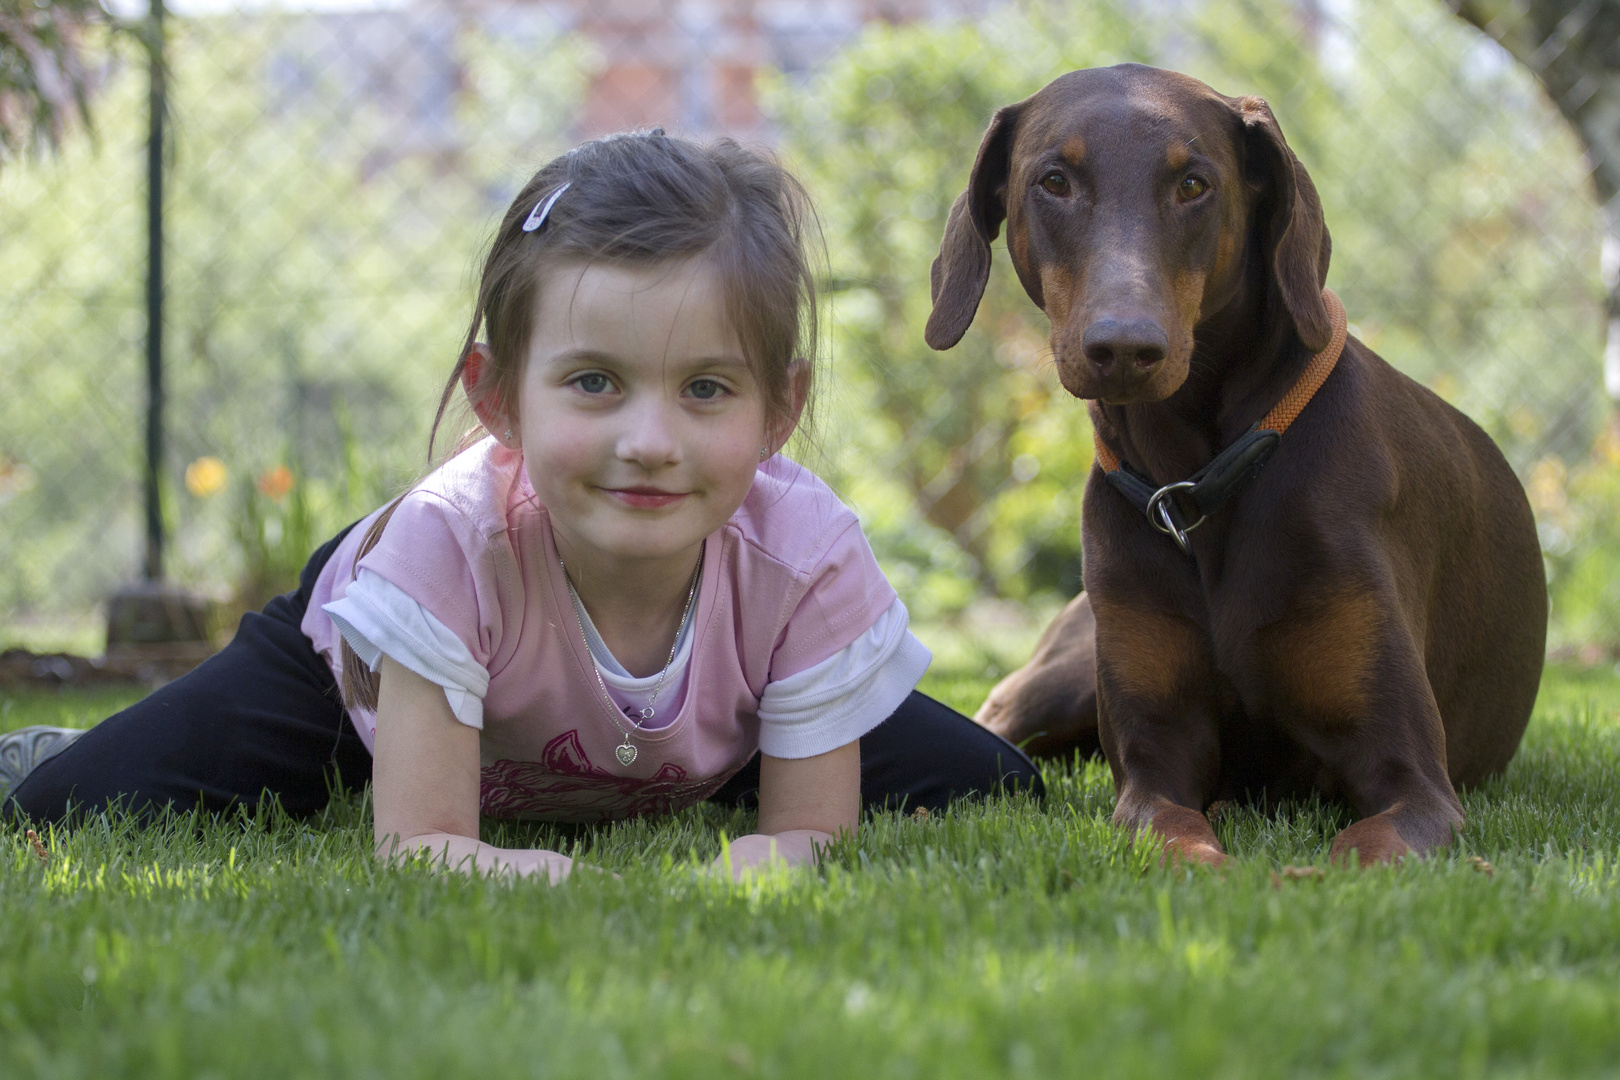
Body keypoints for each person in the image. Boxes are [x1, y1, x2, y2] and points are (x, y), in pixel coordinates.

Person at [1, 132, 1041, 879]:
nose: (649, 440)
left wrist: (772, 854)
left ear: (783, 408)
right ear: (498, 397)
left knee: (999, 786)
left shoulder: (802, 558)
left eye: (707, 389)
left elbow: (811, 838)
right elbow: (422, 850)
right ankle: (66, 749)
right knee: (67, 807)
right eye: (595, 382)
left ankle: (694, 758)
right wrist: (545, 873)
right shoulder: (450, 547)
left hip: (696, 706)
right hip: (359, 677)